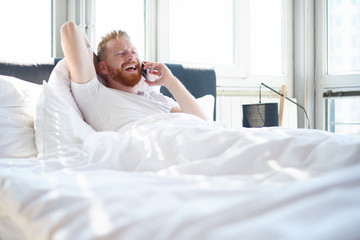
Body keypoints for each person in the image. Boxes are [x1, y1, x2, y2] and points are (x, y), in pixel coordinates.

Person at [60, 21, 208, 131]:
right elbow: (70, 30)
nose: (131, 56)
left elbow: (204, 123)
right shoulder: (95, 93)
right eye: (120, 53)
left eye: (134, 52)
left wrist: (171, 81)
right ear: (102, 67)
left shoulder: (157, 99)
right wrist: (101, 68)